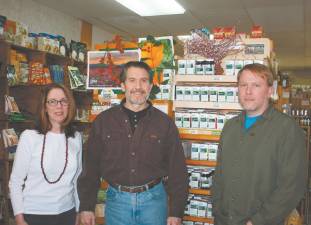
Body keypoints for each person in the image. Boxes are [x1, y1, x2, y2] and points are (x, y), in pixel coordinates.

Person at [78, 61, 188, 225]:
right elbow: (91, 167)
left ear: (150, 86)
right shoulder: (104, 121)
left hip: (154, 203)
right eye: (132, 80)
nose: (138, 86)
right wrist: (86, 206)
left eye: (144, 81)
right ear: (122, 85)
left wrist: (176, 211)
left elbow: (177, 170)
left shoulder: (165, 123)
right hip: (117, 203)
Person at [212, 63, 307, 225]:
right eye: (243, 85)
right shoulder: (230, 127)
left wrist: (258, 221)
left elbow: (292, 187)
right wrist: (217, 207)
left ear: (270, 90)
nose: (248, 91)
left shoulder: (287, 129)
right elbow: (219, 173)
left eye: (256, 85)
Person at [9, 83, 82, 225]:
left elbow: (77, 179)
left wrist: (78, 211)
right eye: (52, 101)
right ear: (45, 107)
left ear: (69, 105)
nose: (59, 106)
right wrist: (19, 218)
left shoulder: (76, 137)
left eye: (63, 101)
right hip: (34, 214)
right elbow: (16, 181)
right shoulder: (29, 137)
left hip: (67, 213)